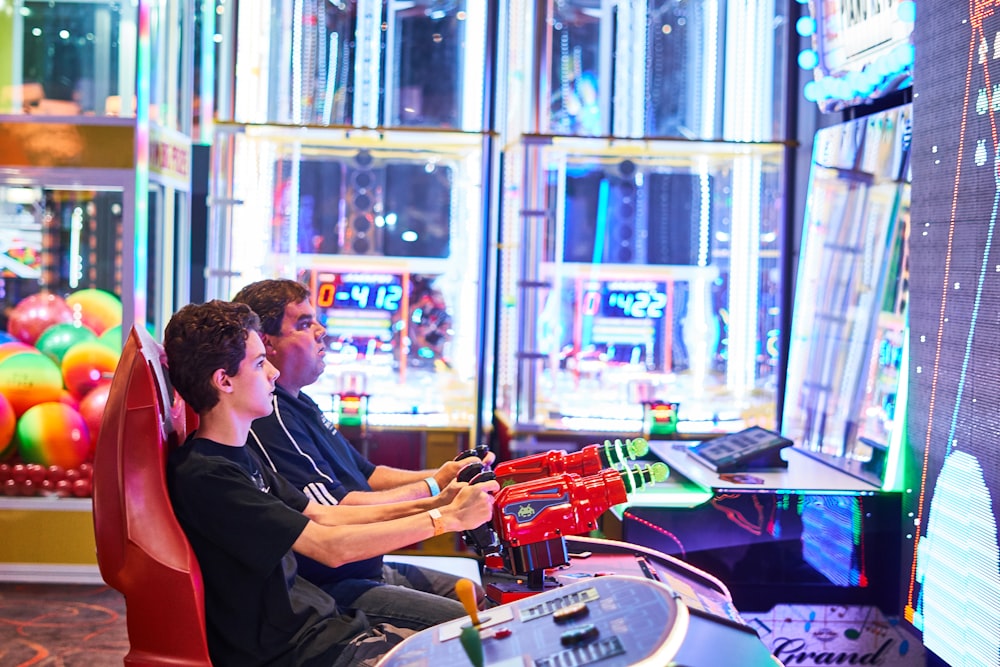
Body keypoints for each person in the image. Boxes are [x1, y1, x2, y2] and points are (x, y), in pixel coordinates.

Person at [164, 300, 498, 666]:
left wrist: (440, 500)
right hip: (294, 651)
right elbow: (328, 547)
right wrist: (446, 519)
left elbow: (324, 516)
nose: (273, 373)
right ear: (224, 380)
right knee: (467, 649)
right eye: (260, 364)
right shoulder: (207, 475)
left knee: (477, 643)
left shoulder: (241, 454)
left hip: (325, 628)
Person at [233, 279, 494, 630]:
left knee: (480, 597)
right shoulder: (270, 418)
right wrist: (440, 506)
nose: (320, 331)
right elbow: (336, 512)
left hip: (367, 565)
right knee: (474, 624)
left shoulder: (300, 401)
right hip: (332, 585)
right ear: (267, 344)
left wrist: (442, 477)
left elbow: (368, 474)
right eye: (305, 323)